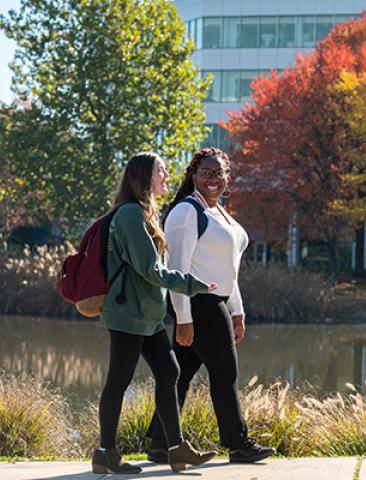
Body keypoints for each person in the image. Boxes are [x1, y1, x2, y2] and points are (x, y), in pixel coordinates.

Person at [146, 147, 275, 463]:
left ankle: (161, 444)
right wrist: (184, 317)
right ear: (193, 175)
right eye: (206, 173)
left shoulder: (219, 212)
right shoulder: (186, 212)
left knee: (180, 374)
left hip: (216, 301)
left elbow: (226, 267)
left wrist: (237, 309)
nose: (214, 179)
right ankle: (239, 445)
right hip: (199, 302)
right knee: (225, 372)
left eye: (219, 173)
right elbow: (177, 270)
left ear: (228, 176)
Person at [92, 152, 218, 474]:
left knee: (169, 372)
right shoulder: (131, 215)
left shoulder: (144, 213)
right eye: (161, 171)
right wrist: (194, 285)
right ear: (145, 176)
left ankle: (175, 449)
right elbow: (151, 270)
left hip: (147, 316)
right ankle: (106, 451)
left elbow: (151, 271)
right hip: (128, 315)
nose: (166, 176)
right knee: (118, 381)